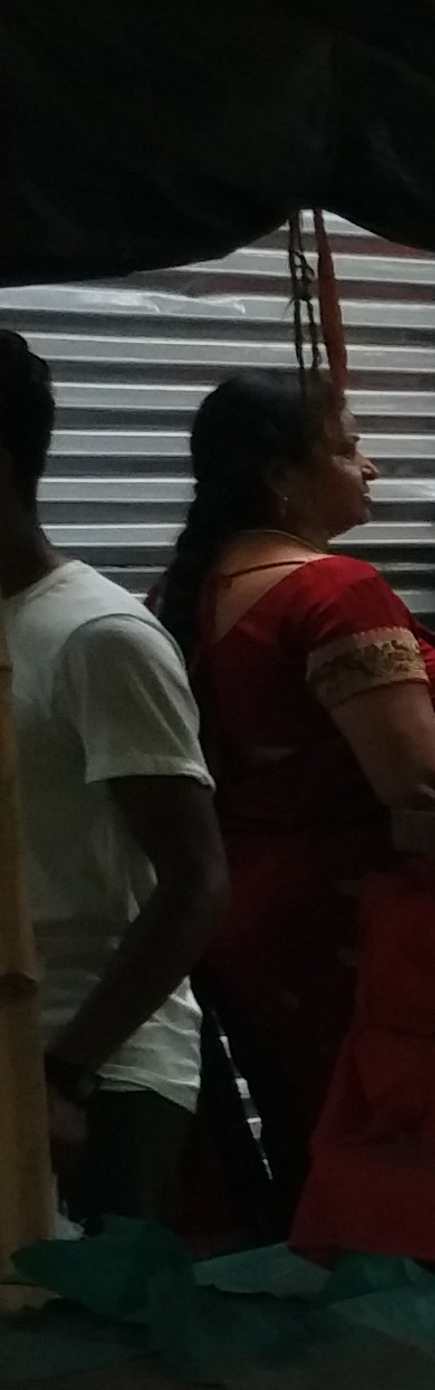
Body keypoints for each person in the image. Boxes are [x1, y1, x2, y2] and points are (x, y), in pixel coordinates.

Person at [155, 373, 435, 1212]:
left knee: (311, 1145)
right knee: (397, 1165)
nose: (370, 468)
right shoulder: (333, 592)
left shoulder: (196, 591)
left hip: (254, 914)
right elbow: (419, 785)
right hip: (353, 920)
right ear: (281, 475)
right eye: (348, 447)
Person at [0, 330, 226, 1229]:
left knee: (88, 1357)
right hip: (19, 1061)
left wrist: (65, 1072)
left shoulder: (98, 638)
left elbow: (196, 881)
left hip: (100, 1079)